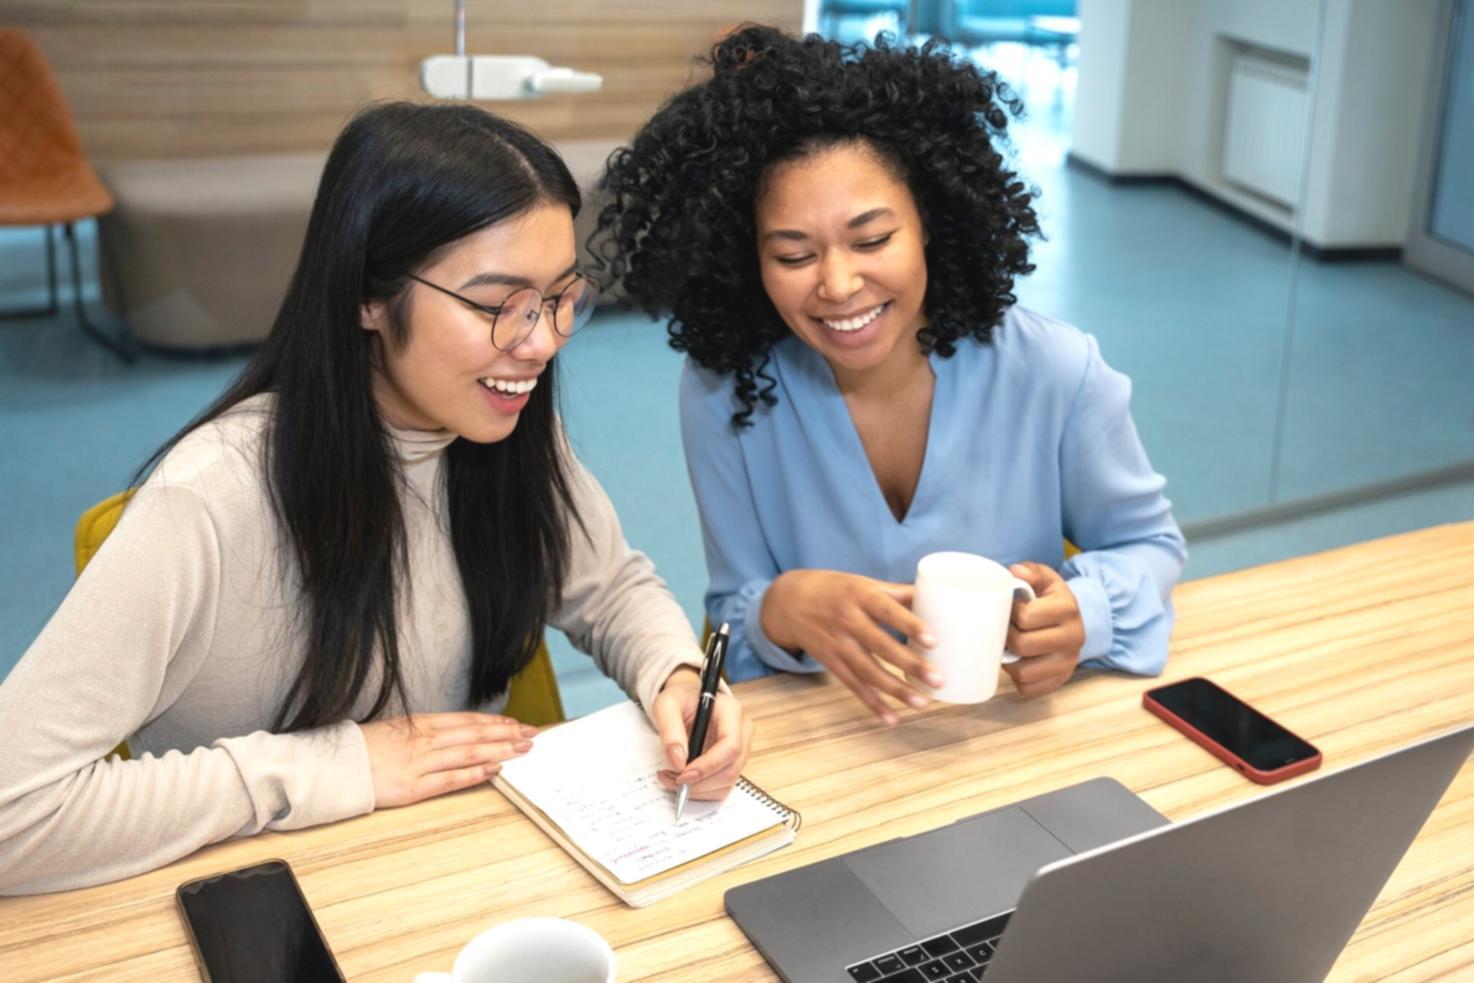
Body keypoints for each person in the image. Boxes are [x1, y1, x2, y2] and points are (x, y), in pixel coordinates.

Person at [0, 102, 752, 895]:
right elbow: (13, 808)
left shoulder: (506, 427)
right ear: (367, 293)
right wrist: (337, 763)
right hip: (271, 902)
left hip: (445, 879)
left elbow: (612, 588)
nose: (540, 342)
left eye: (559, 298)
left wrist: (673, 676)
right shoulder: (210, 501)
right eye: (499, 305)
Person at [596, 26, 1187, 724]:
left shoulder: (1055, 371)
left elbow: (1150, 546)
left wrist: (1085, 613)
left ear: (930, 220)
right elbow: (736, 609)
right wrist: (784, 607)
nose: (839, 285)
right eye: (793, 255)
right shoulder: (725, 391)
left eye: (873, 239)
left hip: (1009, 735)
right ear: (746, 260)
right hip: (830, 746)